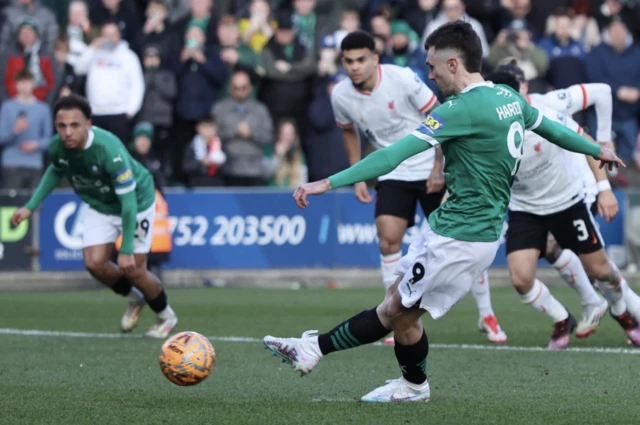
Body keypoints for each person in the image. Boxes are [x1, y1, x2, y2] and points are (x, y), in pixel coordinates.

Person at [262, 21, 624, 403]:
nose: (430, 75)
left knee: (396, 310)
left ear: (453, 64)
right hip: (450, 227)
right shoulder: (508, 98)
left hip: (462, 237)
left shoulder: (460, 109)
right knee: (398, 303)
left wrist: (326, 183)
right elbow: (551, 128)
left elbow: (391, 156)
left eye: (433, 67)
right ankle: (411, 384)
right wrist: (596, 149)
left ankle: (315, 350)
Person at [330, 30, 506, 345]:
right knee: (388, 240)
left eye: (360, 60)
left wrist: (439, 167)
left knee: (462, 241)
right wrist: (357, 175)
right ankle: (390, 312)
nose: (354, 67)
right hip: (393, 172)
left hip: (428, 167)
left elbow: (439, 117)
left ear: (375, 58)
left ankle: (487, 313)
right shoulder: (340, 95)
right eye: (348, 61)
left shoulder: (404, 79)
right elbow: (348, 133)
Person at [486, 68, 640, 349]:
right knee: (520, 277)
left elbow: (588, 145)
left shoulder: (545, 112)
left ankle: (621, 312)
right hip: (525, 210)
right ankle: (563, 317)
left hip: (568, 201)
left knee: (600, 270)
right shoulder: (488, 129)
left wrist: (605, 190)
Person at [10, 94, 178, 338]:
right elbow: (55, 170)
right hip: (101, 205)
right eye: (62, 126)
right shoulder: (58, 146)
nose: (67, 132)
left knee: (135, 270)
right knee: (94, 264)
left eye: (74, 125)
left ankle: (166, 315)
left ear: (88, 124)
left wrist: (127, 248)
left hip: (137, 204)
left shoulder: (108, 149)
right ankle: (135, 299)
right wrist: (30, 206)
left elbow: (128, 202)